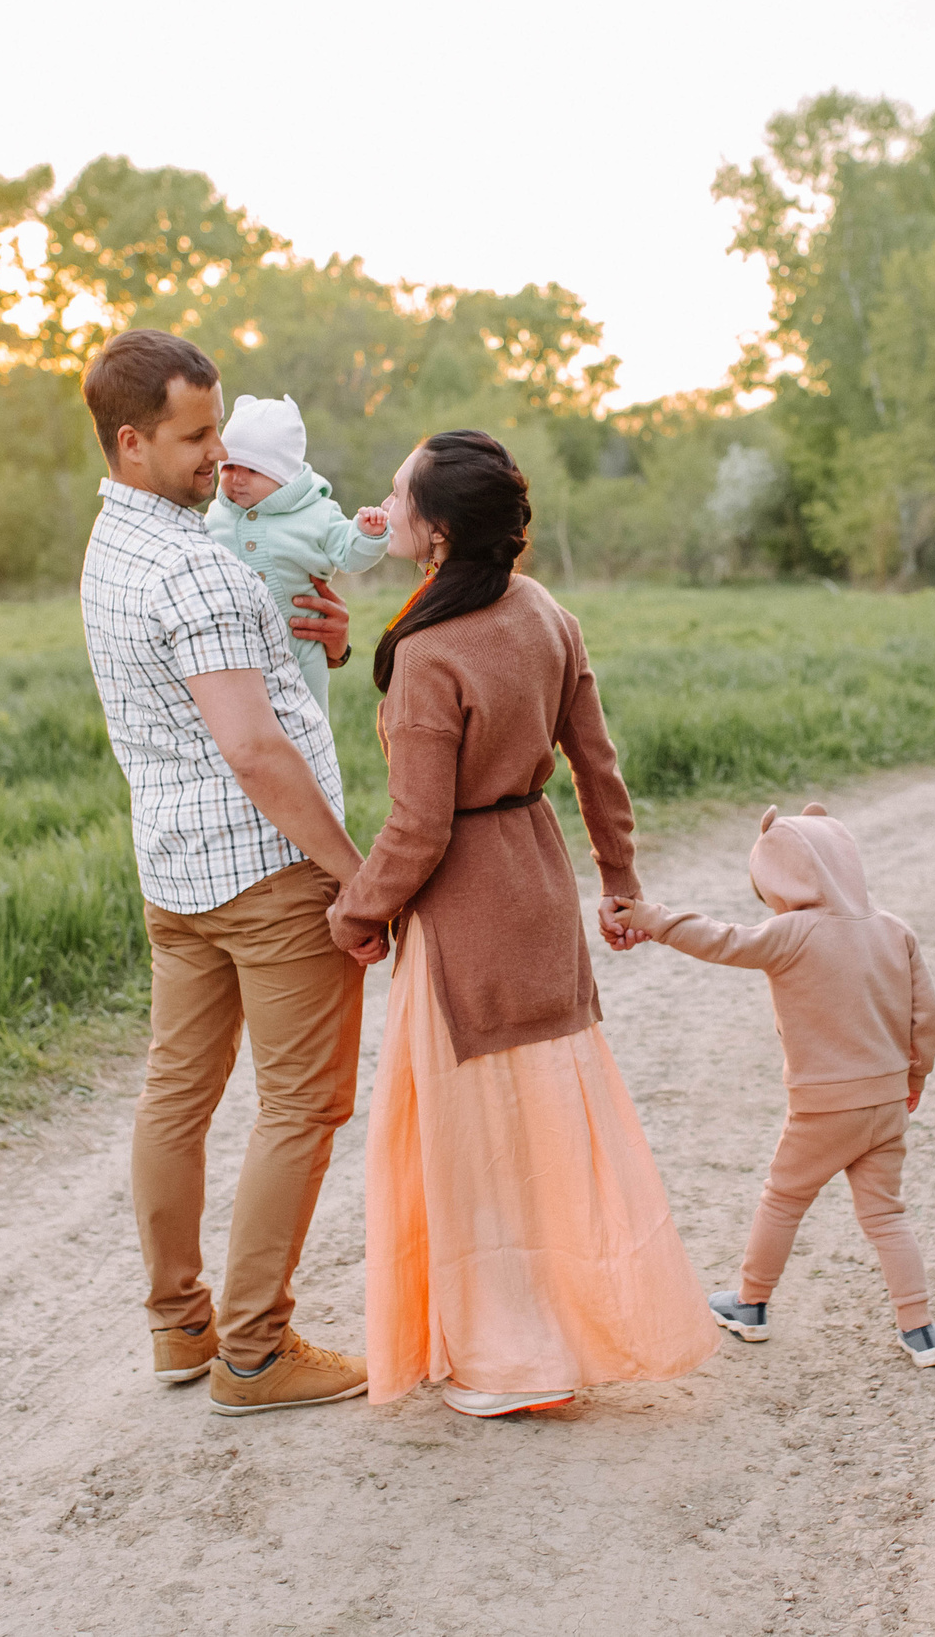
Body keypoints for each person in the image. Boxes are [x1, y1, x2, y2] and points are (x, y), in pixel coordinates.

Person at [326, 429, 718, 1419]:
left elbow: (415, 829)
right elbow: (598, 764)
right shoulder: (545, 614)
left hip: (464, 915)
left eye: (398, 487)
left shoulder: (426, 652)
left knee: (473, 1149)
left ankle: (507, 1358)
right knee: (538, 1134)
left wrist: (357, 910)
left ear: (437, 531)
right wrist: (618, 884)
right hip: (538, 889)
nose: (386, 498)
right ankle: (552, 1328)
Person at [76, 327, 379, 1416]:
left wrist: (328, 649)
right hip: (267, 871)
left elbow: (243, 685)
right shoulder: (198, 568)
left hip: (172, 867)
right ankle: (255, 1352)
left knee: (177, 1095)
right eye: (194, 436)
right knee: (302, 1104)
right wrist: (354, 874)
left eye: (216, 430)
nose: (218, 454)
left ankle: (179, 1328)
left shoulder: (116, 549)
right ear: (130, 442)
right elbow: (254, 747)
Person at [608, 804, 935, 1368]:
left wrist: (653, 917)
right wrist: (916, 1077)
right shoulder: (895, 931)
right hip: (888, 1102)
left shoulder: (793, 933)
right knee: (887, 1215)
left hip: (824, 1108)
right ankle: (920, 1330)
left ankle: (750, 1304)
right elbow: (926, 1019)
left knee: (784, 1198)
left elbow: (721, 940)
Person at [213, 394, 391, 712]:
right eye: (229, 466)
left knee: (306, 725)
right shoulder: (216, 515)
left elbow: (349, 555)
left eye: (252, 470)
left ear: (284, 475)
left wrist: (367, 534)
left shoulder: (317, 513)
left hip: (300, 649)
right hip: (231, 653)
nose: (237, 479)